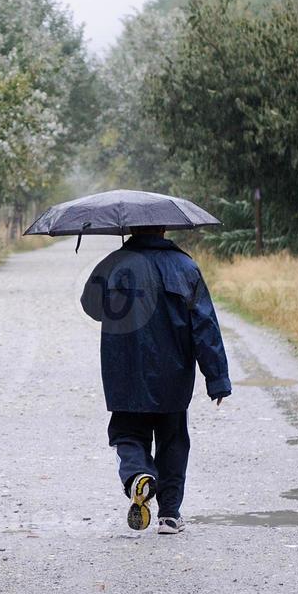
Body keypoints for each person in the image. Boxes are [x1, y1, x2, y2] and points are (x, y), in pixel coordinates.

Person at [79, 226, 231, 533]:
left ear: (131, 228)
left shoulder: (114, 264)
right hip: (173, 372)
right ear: (163, 228)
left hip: (123, 370)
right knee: (172, 439)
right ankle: (170, 515)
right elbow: (205, 325)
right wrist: (217, 378)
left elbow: (91, 306)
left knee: (127, 433)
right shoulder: (185, 267)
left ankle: (137, 475)